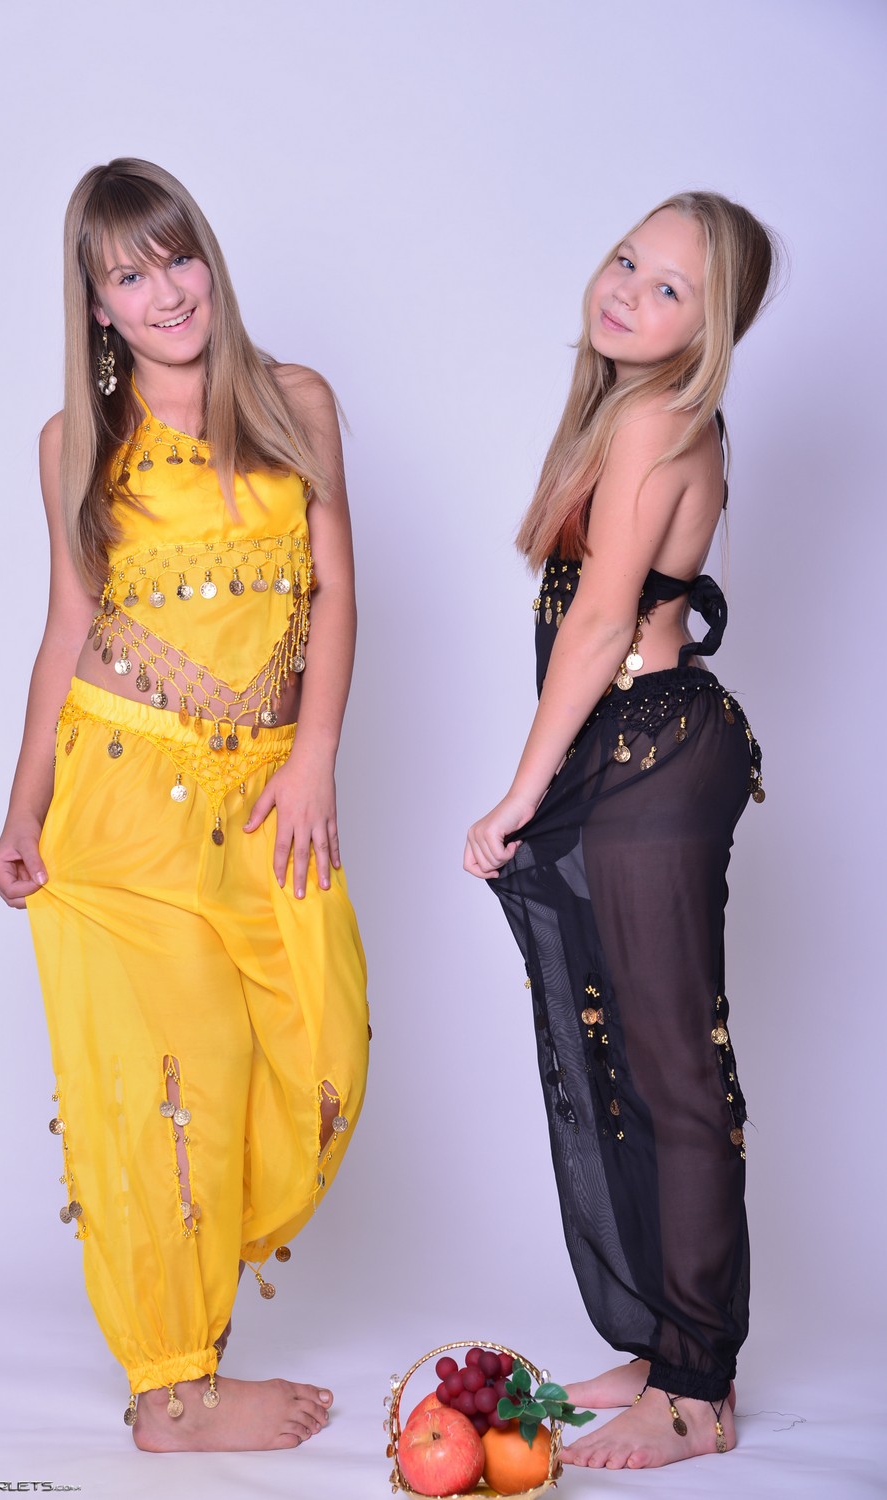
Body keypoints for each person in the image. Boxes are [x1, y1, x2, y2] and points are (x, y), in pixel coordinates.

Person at [0, 158, 369, 1453]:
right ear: (96, 303)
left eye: (177, 257)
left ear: (209, 258)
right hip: (121, 803)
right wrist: (22, 809)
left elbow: (335, 592)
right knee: (169, 1079)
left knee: (319, 1045)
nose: (164, 292)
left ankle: (190, 1313)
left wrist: (315, 756)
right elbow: (66, 628)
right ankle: (175, 1386)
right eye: (128, 275)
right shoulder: (74, 445)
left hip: (267, 796)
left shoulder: (296, 401)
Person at [464, 192, 778, 1469]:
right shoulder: (631, 411)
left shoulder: (660, 418)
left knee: (673, 1072)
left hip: (651, 757)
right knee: (629, 1063)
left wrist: (517, 791)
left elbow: (600, 625)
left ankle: (696, 1394)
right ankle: (659, 1344)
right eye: (627, 260)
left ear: (712, 328)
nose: (629, 291)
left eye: (669, 290)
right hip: (627, 752)